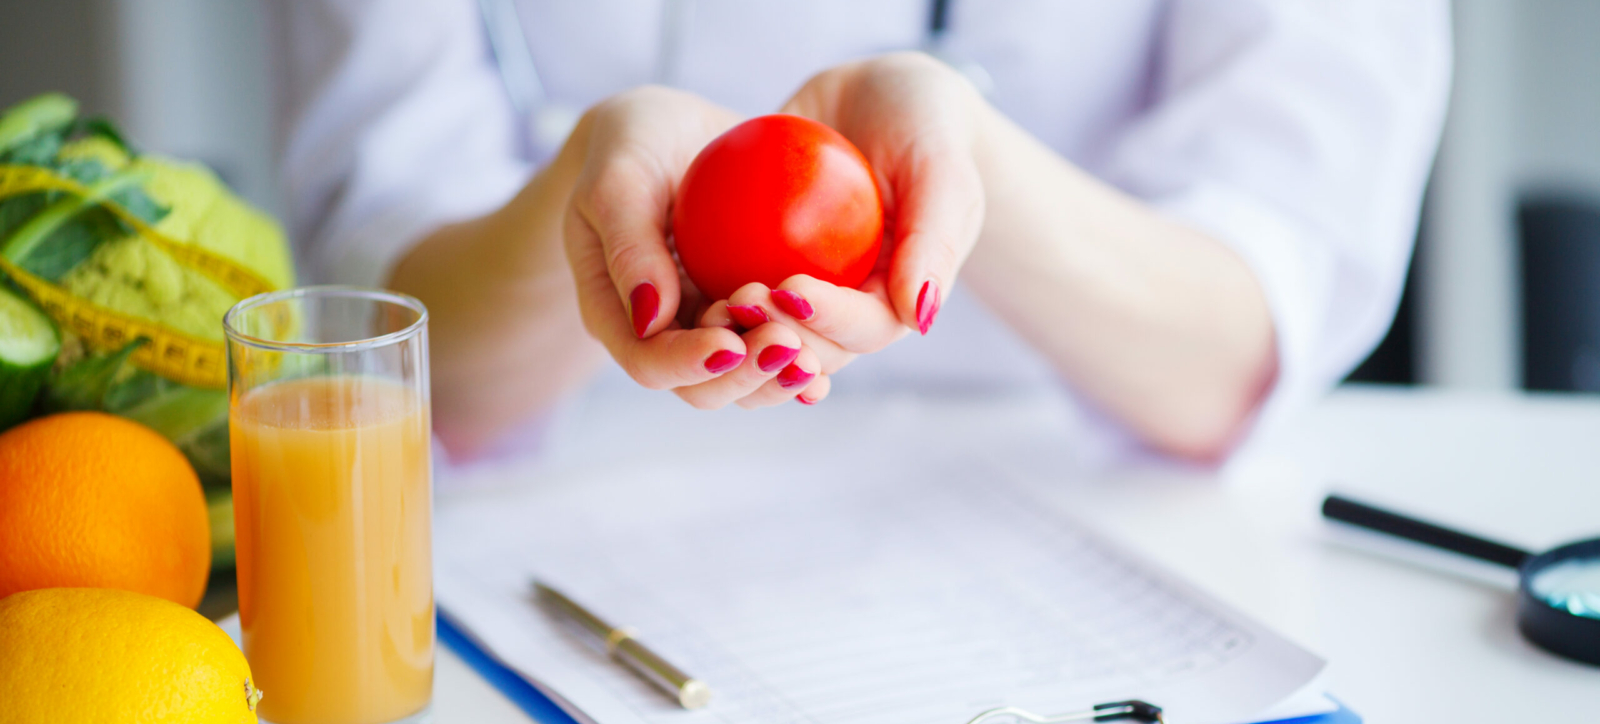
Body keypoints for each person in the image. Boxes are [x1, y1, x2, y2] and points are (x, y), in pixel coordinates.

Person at [270, 1, 1450, 462]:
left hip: (1067, 507)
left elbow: (1239, 343)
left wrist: (966, 159)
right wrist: (588, 178)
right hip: (557, 528)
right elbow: (408, 351)